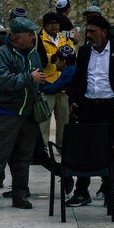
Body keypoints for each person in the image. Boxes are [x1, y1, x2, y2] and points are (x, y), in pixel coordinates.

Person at [66, 15, 114, 208]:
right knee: (84, 149)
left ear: (104, 33)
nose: (88, 35)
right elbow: (78, 79)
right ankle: (82, 192)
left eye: (92, 31)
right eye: (87, 31)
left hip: (111, 107)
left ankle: (109, 192)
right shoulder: (83, 52)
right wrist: (73, 101)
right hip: (88, 106)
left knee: (111, 150)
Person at [0, 17, 46, 211]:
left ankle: (20, 195)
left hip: (29, 113)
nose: (34, 37)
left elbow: (38, 76)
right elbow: (2, 81)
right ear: (18, 37)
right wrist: (28, 77)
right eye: (30, 34)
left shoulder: (33, 54)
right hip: (7, 112)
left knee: (23, 158)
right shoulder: (1, 54)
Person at [37, 12, 75, 149]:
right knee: (44, 120)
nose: (54, 26)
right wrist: (56, 57)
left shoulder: (65, 36)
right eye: (51, 23)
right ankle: (43, 147)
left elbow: (73, 49)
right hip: (48, 83)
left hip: (64, 86)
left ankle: (62, 145)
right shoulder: (39, 38)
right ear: (45, 25)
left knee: (64, 120)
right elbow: (41, 58)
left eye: (56, 23)